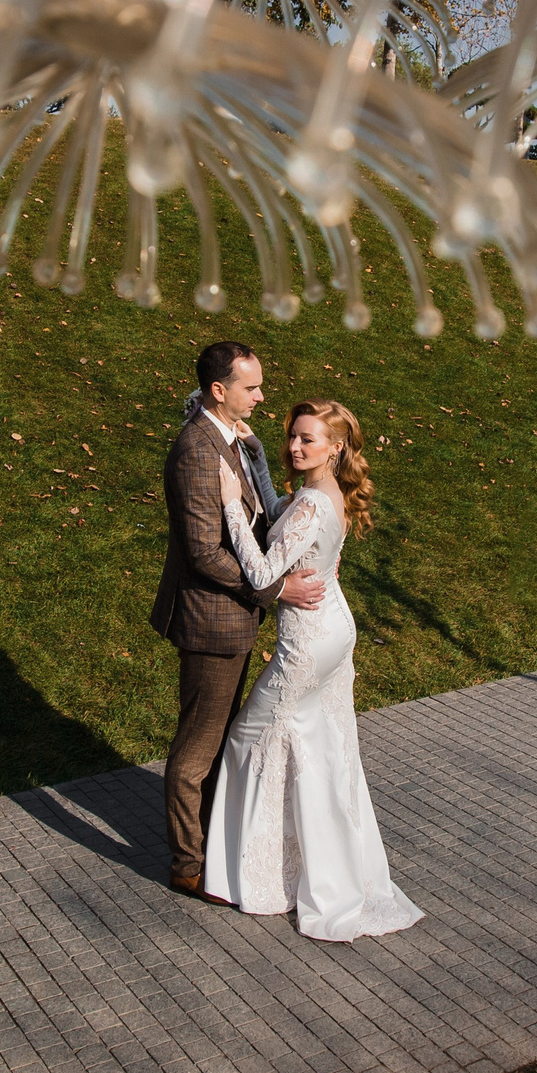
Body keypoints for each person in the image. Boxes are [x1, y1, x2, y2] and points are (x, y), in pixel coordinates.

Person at [201, 399, 422, 940]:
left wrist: (232, 505)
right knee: (319, 748)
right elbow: (281, 513)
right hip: (333, 630)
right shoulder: (322, 495)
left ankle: (257, 879)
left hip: (308, 642)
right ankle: (298, 871)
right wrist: (253, 458)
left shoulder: (313, 506)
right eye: (293, 437)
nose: (296, 447)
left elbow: (258, 572)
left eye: (308, 440)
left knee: (248, 740)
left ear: (336, 446)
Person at [154, 342, 324, 899]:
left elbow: (256, 515)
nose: (261, 395)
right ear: (218, 391)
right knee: (198, 747)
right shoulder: (197, 452)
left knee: (221, 734)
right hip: (211, 619)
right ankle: (187, 864)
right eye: (251, 388)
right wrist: (276, 589)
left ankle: (209, 847)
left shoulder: (233, 441)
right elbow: (205, 552)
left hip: (234, 614)